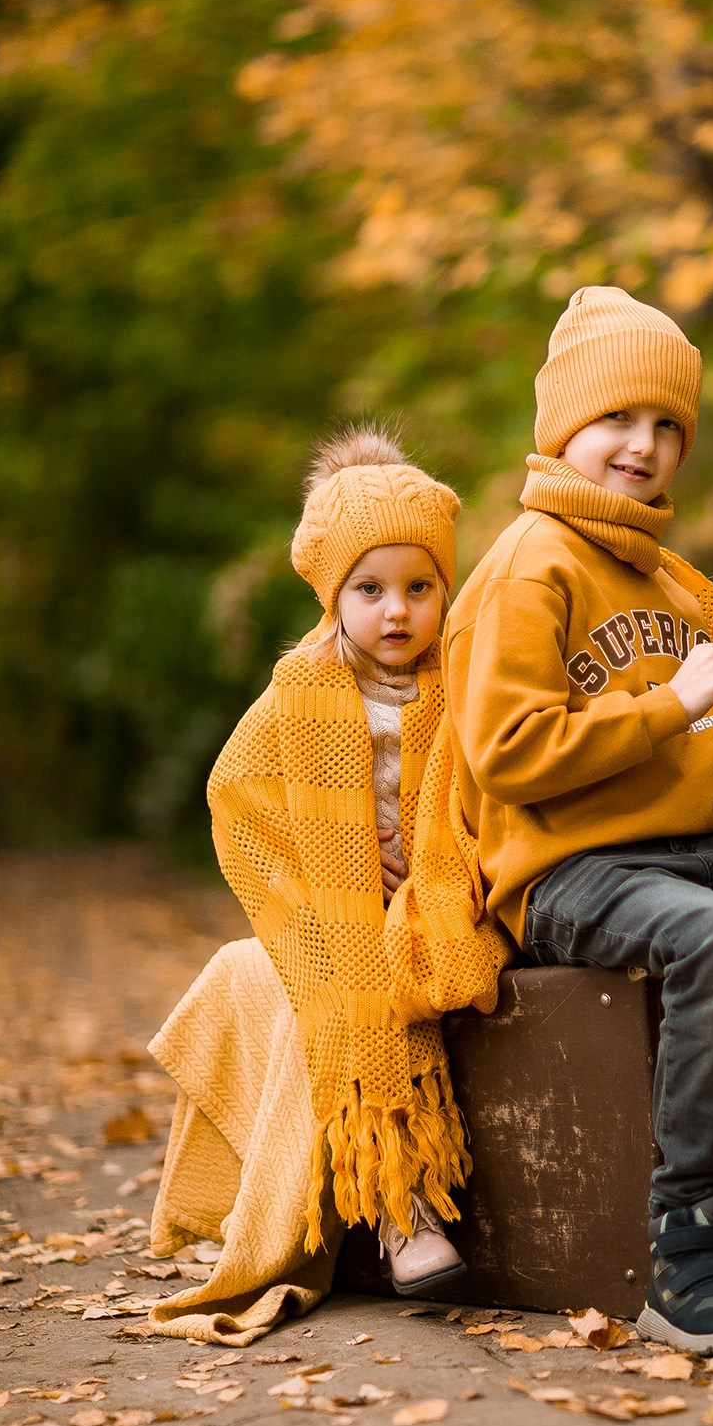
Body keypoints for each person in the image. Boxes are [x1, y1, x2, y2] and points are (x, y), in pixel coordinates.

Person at [443, 287, 713, 1355]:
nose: (641, 446)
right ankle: (687, 1248)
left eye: (665, 427)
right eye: (617, 420)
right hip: (560, 871)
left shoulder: (672, 578)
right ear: (564, 428)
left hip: (673, 849)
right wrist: (669, 703)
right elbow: (505, 751)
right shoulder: (525, 567)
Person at [144, 426, 506, 1343]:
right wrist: (336, 863)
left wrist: (432, 858)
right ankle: (400, 1202)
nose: (396, 612)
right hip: (338, 904)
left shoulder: (463, 675)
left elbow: (495, 780)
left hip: (444, 890)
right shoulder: (302, 689)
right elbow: (239, 796)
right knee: (360, 996)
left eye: (419, 588)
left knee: (443, 964)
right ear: (332, 594)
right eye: (370, 590)